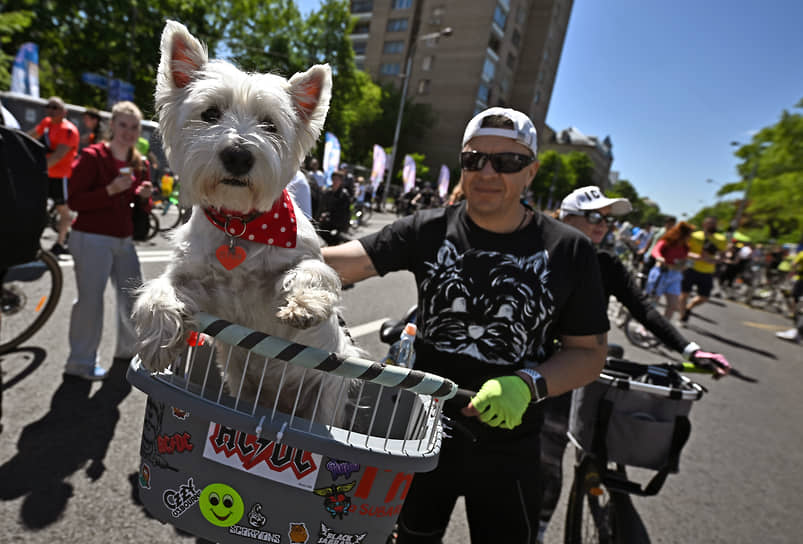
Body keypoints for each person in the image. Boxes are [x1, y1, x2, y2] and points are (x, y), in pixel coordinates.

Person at [322, 107, 610, 543]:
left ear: (530, 172)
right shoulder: (429, 229)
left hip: (509, 447)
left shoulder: (569, 250)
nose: (487, 172)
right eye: (474, 159)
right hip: (422, 434)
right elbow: (340, 265)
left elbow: (589, 354)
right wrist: (253, 234)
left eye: (507, 162)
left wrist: (528, 383)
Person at [537, 187, 731, 543]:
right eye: (594, 217)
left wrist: (691, 350)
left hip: (572, 368)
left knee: (550, 455)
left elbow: (643, 307)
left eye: (607, 220)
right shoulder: (536, 252)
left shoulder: (607, 264)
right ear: (566, 216)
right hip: (528, 363)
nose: (602, 226)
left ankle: (539, 527)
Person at [64, 101, 153, 380]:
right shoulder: (92, 157)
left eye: (134, 126)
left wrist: (144, 196)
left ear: (139, 131)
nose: (128, 131)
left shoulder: (140, 163)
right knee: (91, 303)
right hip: (91, 237)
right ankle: (80, 363)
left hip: (123, 239)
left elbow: (143, 209)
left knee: (132, 298)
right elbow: (74, 201)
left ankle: (127, 352)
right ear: (111, 125)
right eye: (123, 124)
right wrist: (110, 190)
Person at [27, 96, 80, 255]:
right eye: (48, 106)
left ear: (64, 112)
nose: (50, 110)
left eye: (55, 107)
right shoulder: (47, 124)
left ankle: (60, 242)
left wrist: (33, 169)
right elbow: (29, 137)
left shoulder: (68, 130)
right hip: (46, 174)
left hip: (60, 176)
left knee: (63, 211)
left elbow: (58, 156)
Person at [679, 216, 727, 323]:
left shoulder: (721, 239)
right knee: (684, 294)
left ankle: (688, 307)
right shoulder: (694, 236)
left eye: (714, 224)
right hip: (690, 268)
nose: (713, 226)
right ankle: (682, 318)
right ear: (704, 224)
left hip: (707, 271)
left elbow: (723, 256)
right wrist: (696, 256)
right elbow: (683, 251)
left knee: (704, 298)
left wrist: (715, 261)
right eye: (710, 223)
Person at [645, 221, 695, 321]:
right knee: (653, 302)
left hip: (675, 276)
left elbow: (684, 260)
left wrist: (686, 264)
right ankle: (644, 326)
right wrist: (659, 257)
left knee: (672, 306)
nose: (689, 238)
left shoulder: (685, 247)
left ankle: (663, 328)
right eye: (688, 235)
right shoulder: (667, 241)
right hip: (661, 273)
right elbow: (656, 250)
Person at [775, 248, 803, 344]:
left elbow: (793, 265)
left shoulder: (802, 254)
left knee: (798, 304)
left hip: (800, 281)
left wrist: (792, 273)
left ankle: (797, 332)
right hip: (799, 280)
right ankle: (797, 331)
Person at [316, 169, 352, 243]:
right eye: (334, 179)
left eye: (337, 179)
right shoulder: (328, 192)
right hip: (326, 222)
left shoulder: (344, 194)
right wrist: (319, 217)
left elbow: (346, 212)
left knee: (335, 242)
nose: (335, 181)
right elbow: (322, 206)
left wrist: (345, 227)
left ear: (341, 181)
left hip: (337, 224)